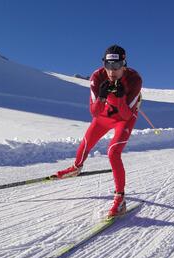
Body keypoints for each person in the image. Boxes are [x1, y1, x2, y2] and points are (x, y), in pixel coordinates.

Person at [56, 45, 142, 218]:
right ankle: (76, 167)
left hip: (123, 119)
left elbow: (126, 115)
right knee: (85, 143)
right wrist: (102, 97)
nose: (112, 71)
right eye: (108, 65)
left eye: (117, 66)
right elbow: (94, 112)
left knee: (113, 152)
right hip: (103, 116)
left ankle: (120, 199)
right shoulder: (97, 77)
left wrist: (119, 99)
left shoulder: (134, 80)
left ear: (124, 64)